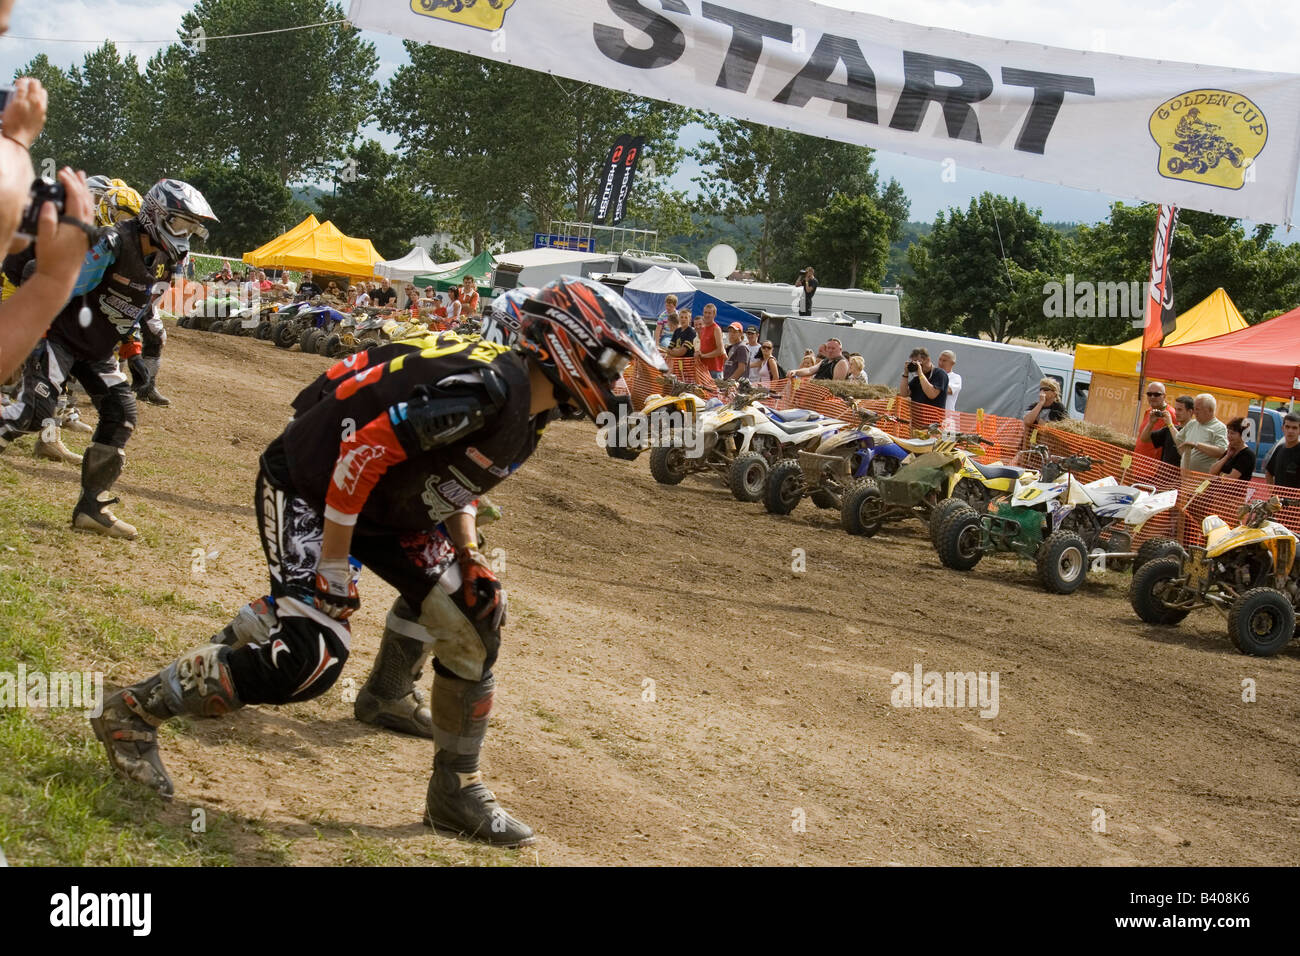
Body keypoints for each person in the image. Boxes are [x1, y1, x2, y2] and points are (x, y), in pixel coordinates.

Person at [90, 276, 668, 848]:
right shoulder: (486, 390)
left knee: (476, 610)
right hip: (312, 489)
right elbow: (362, 453)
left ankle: (453, 789)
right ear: (569, 345)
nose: (617, 382)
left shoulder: (529, 402)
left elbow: (455, 479)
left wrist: (467, 554)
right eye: (614, 364)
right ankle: (135, 711)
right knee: (310, 659)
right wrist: (334, 567)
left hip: (385, 508)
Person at [2, 179, 216, 539]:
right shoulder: (111, 242)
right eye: (181, 224)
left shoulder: (169, 259)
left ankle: (92, 508)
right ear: (155, 216)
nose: (186, 235)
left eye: (193, 228)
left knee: (121, 416)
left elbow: (137, 306)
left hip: (98, 351)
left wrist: (135, 355)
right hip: (59, 338)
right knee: (33, 413)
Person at [1173, 393, 1228, 473]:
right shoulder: (1192, 424)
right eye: (1194, 409)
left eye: (1198, 409)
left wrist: (1196, 445)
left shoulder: (1219, 428)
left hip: (1204, 480)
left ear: (1210, 410)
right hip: (1185, 477)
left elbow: (1221, 451)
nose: (1195, 412)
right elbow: (1178, 439)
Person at [1146, 395, 1194, 468]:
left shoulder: (1194, 431)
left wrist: (1170, 425)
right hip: (1161, 476)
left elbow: (1182, 446)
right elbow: (1145, 439)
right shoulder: (1168, 429)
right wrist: (1151, 423)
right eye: (1176, 409)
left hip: (1179, 477)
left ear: (1190, 412)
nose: (1176, 413)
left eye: (1180, 410)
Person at [1264, 412, 1300, 488]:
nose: (1290, 431)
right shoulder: (1279, 448)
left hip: (1295, 498)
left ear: (1299, 431)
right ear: (1282, 428)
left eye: (1294, 428)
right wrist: (1272, 493)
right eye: (1287, 427)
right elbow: (1269, 472)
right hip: (1279, 498)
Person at [695, 303, 725, 380]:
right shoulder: (704, 329)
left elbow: (720, 351)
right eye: (705, 312)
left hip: (714, 370)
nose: (707, 315)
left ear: (714, 314)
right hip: (704, 369)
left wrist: (704, 356)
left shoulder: (716, 329)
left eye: (709, 313)